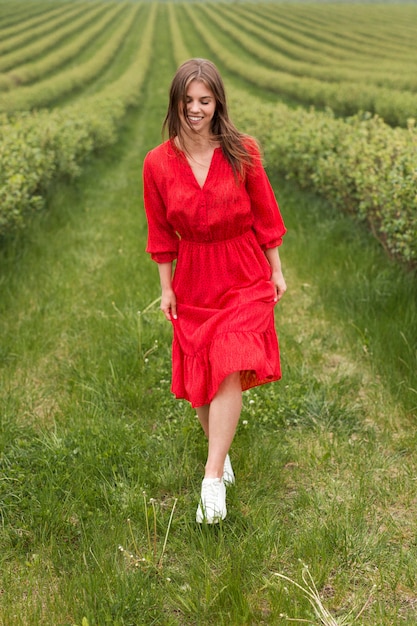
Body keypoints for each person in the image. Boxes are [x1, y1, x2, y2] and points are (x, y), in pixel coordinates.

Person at [143, 58, 286, 524]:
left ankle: (211, 481)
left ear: (218, 102)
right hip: (194, 277)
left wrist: (276, 270)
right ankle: (220, 457)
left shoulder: (243, 151)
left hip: (243, 271)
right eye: (188, 101)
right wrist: (166, 288)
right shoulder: (158, 163)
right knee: (203, 374)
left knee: (227, 362)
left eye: (204, 100)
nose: (196, 109)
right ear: (176, 104)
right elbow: (161, 232)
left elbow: (265, 215)